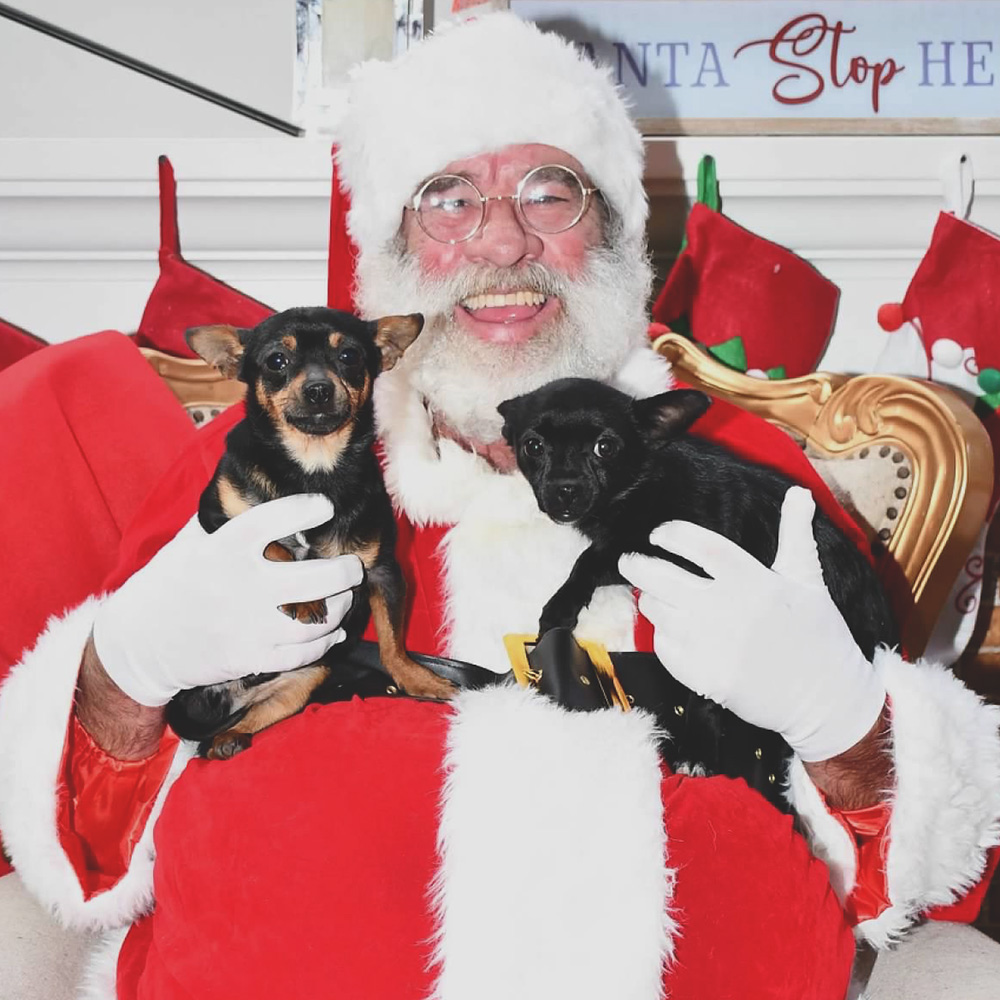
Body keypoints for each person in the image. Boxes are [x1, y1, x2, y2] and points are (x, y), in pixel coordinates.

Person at [1, 13, 999, 1000]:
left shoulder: (746, 475)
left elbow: (932, 887)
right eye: (446, 198)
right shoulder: (246, 473)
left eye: (549, 192)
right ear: (388, 253)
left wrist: (839, 722)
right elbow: (84, 847)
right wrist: (124, 669)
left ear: (610, 232)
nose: (502, 238)